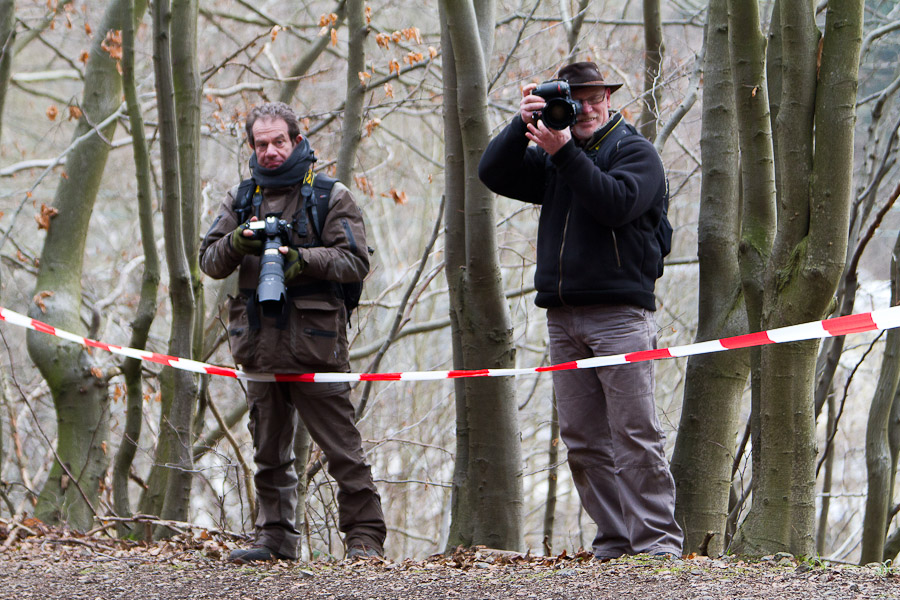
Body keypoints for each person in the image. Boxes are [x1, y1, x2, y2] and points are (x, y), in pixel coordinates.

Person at [478, 61, 683, 560]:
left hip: (619, 316)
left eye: (594, 98)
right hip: (562, 317)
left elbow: (615, 203)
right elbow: (493, 172)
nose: (586, 108)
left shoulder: (635, 152)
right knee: (584, 439)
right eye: (574, 100)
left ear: (609, 99)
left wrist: (565, 151)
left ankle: (656, 544)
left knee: (635, 432)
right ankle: (614, 541)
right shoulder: (555, 158)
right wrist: (519, 124)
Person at [200, 102, 386, 563]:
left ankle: (364, 540)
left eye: (278, 141)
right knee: (268, 451)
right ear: (252, 147)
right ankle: (275, 538)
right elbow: (209, 260)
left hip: (315, 347)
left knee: (344, 451)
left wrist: (303, 259)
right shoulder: (242, 198)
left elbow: (356, 261)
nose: (270, 151)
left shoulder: (329, 195)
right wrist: (239, 240)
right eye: (261, 144)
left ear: (297, 141)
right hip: (259, 345)